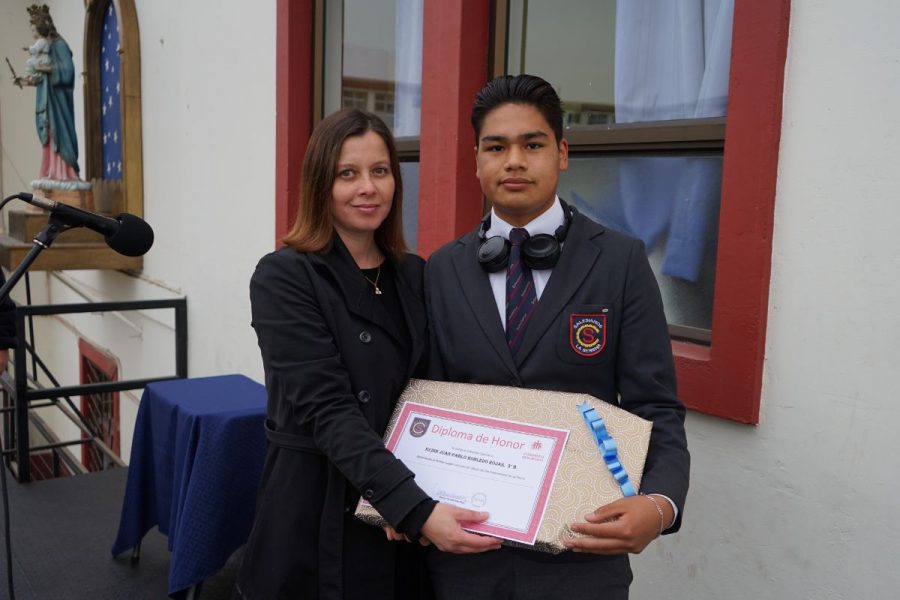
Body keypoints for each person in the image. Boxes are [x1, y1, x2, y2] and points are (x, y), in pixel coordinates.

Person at [424, 74, 690, 599]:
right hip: (466, 560)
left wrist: (660, 505)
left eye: (533, 144)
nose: (515, 160)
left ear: (562, 152)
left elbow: (656, 405)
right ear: (476, 159)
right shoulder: (440, 269)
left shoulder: (621, 261)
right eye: (496, 147)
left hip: (583, 557)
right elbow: (424, 402)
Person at [235, 108, 499, 600]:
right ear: (320, 184)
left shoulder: (415, 275)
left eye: (380, 171)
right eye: (347, 174)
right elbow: (327, 408)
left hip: (399, 506)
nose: (368, 188)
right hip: (316, 506)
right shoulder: (285, 276)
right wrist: (408, 504)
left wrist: (414, 500)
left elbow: (434, 395)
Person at [14, 4, 81, 182]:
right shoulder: (46, 48)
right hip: (46, 102)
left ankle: (65, 174)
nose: (34, 36)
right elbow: (40, 78)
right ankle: (51, 171)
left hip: (59, 104)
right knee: (49, 137)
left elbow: (68, 72)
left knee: (60, 135)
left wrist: (47, 68)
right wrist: (24, 80)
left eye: (35, 31)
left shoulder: (59, 45)